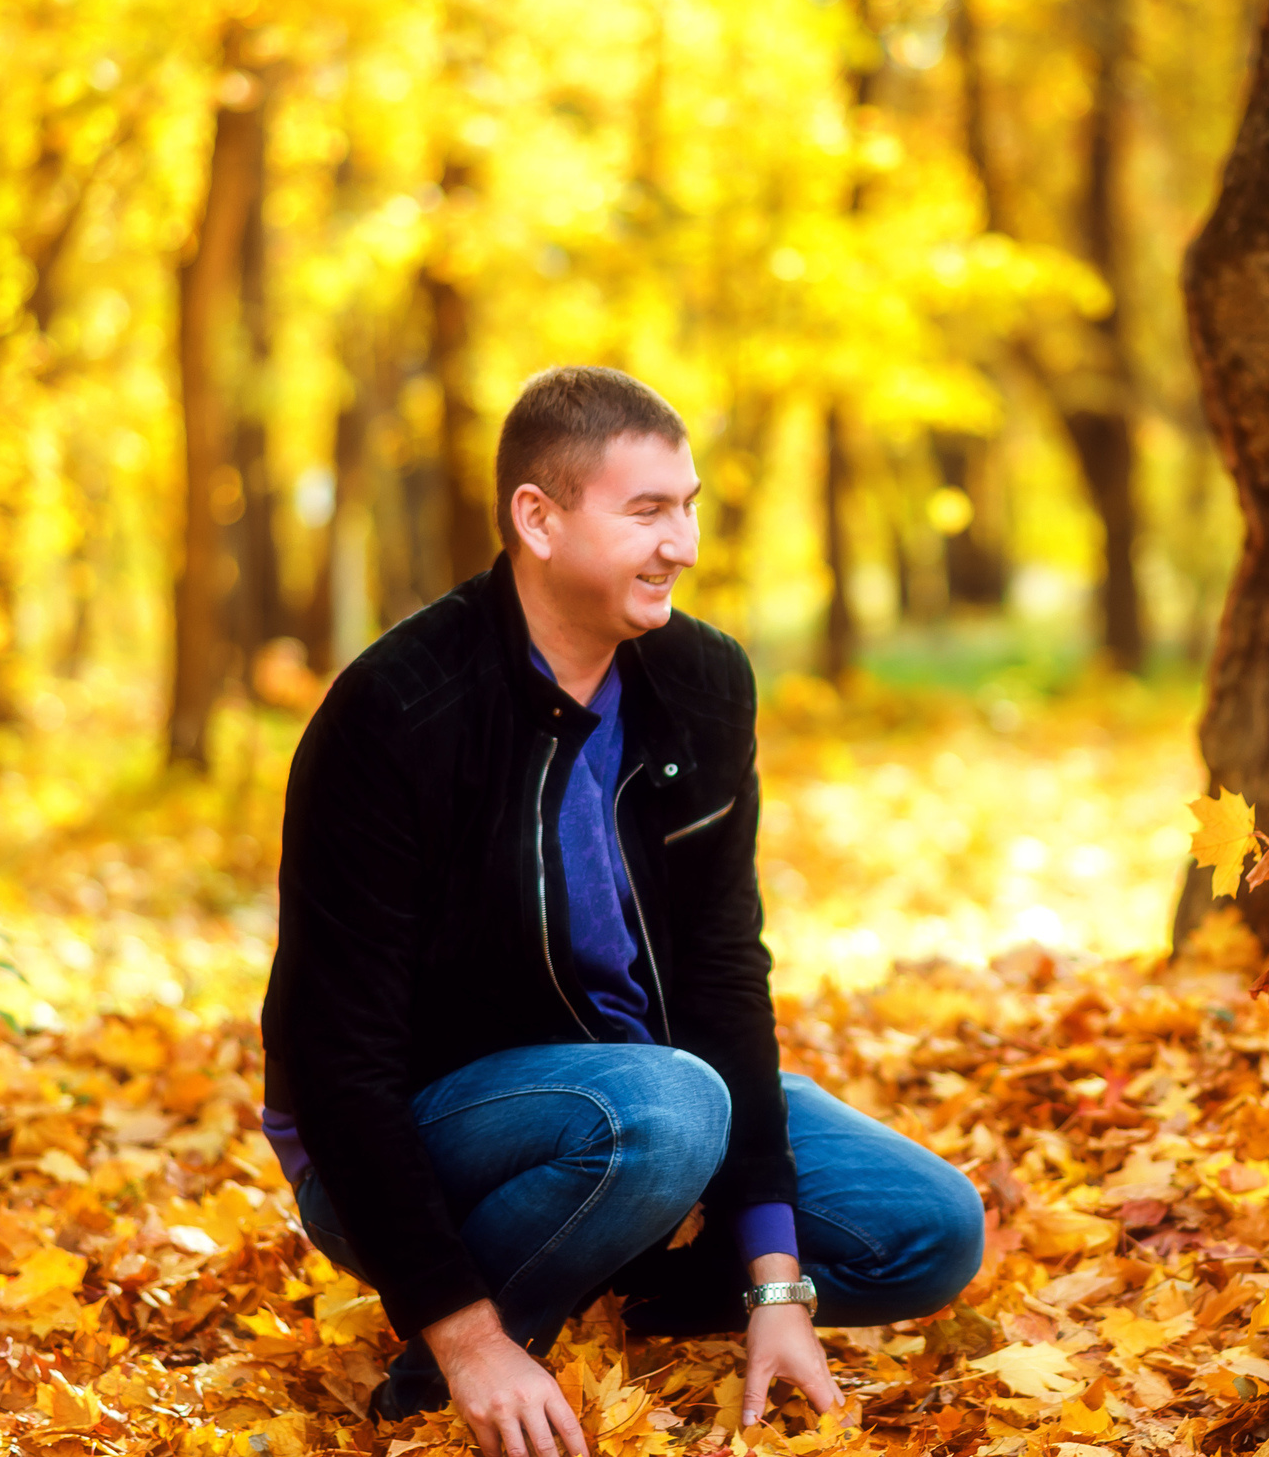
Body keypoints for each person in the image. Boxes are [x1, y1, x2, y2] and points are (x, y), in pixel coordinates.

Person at [259, 367, 984, 1452]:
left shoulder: (702, 682)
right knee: (667, 1106)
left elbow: (723, 970)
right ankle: (451, 1372)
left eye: (688, 506)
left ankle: (589, 1297)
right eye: (647, 511)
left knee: (930, 1230)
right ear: (537, 519)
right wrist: (466, 1335)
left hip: (645, 1105)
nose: (681, 544)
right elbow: (338, 1064)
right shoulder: (399, 711)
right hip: (416, 1137)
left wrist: (775, 1285)